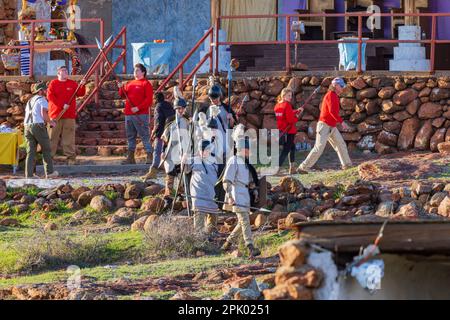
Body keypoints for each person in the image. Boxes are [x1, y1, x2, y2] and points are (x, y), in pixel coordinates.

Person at [297, 78, 353, 174]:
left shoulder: (334, 95)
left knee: (340, 144)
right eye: (341, 86)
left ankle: (347, 165)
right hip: (324, 126)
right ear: (335, 85)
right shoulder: (331, 95)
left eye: (343, 86)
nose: (343, 88)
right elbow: (332, 112)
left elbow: (332, 112)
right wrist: (342, 122)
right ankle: (303, 167)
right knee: (319, 148)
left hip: (331, 126)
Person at [221, 137, 261, 258]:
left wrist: (254, 191)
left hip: (244, 193)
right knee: (244, 220)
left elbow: (250, 180)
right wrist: (229, 196)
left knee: (242, 222)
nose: (249, 152)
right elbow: (226, 180)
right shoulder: (233, 160)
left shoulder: (245, 162)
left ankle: (227, 243)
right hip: (236, 193)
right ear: (241, 149)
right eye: (247, 149)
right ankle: (250, 246)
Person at [47, 65, 86, 165]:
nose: (65, 72)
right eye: (63, 70)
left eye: (66, 70)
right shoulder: (53, 83)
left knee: (69, 138)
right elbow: (50, 97)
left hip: (69, 115)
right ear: (58, 73)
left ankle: (71, 159)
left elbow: (81, 93)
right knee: (52, 137)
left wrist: (82, 85)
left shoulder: (72, 83)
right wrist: (61, 105)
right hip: (55, 115)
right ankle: (48, 158)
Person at [118, 63, 154, 165]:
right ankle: (130, 157)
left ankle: (149, 156)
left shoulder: (146, 84)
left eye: (137, 70)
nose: (135, 72)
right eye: (134, 70)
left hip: (141, 114)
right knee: (130, 136)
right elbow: (122, 95)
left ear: (143, 72)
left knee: (144, 135)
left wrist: (138, 107)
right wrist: (121, 87)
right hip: (129, 114)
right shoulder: (129, 83)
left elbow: (149, 100)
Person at [183, 140, 219, 234]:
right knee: (199, 218)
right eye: (202, 150)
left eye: (206, 150)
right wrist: (183, 160)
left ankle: (211, 234)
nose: (204, 152)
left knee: (213, 215)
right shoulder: (194, 160)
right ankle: (199, 237)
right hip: (199, 194)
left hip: (211, 193)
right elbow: (185, 171)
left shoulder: (214, 162)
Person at [24, 82, 58, 179]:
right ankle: (50, 173)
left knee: (30, 151)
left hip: (27, 126)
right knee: (46, 149)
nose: (46, 91)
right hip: (38, 126)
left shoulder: (29, 101)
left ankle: (29, 175)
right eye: (45, 89)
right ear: (40, 91)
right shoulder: (42, 100)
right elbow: (43, 113)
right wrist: (51, 122)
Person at [160, 97, 190, 210]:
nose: (181, 111)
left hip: (184, 151)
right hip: (171, 150)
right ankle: (167, 198)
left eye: (182, 108)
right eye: (179, 109)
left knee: (181, 174)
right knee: (170, 174)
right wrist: (163, 150)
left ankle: (181, 196)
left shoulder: (188, 121)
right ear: (175, 109)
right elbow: (165, 138)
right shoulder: (170, 120)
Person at [141, 92, 175, 180]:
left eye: (153, 99)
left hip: (161, 133)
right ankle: (168, 171)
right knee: (168, 152)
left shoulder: (158, 107)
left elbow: (158, 122)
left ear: (156, 99)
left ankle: (153, 172)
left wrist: (154, 133)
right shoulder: (169, 105)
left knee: (157, 151)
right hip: (170, 132)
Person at [274, 88, 298, 174]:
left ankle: (292, 168)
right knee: (286, 149)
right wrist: (297, 117)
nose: (290, 97)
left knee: (292, 148)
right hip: (289, 131)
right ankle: (277, 167)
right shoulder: (287, 105)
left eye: (291, 95)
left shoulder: (277, 105)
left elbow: (286, 115)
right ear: (283, 96)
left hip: (282, 130)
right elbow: (291, 120)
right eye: (288, 95)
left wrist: (295, 111)